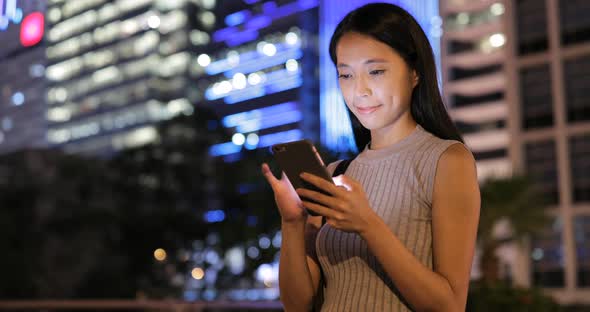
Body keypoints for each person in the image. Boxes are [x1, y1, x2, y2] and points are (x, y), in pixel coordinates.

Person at [261, 3, 480, 311]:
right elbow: (298, 305)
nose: (359, 90)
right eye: (346, 75)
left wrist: (368, 226)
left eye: (375, 71)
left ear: (414, 72)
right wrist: (292, 223)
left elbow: (449, 305)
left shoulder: (447, 160)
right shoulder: (337, 173)